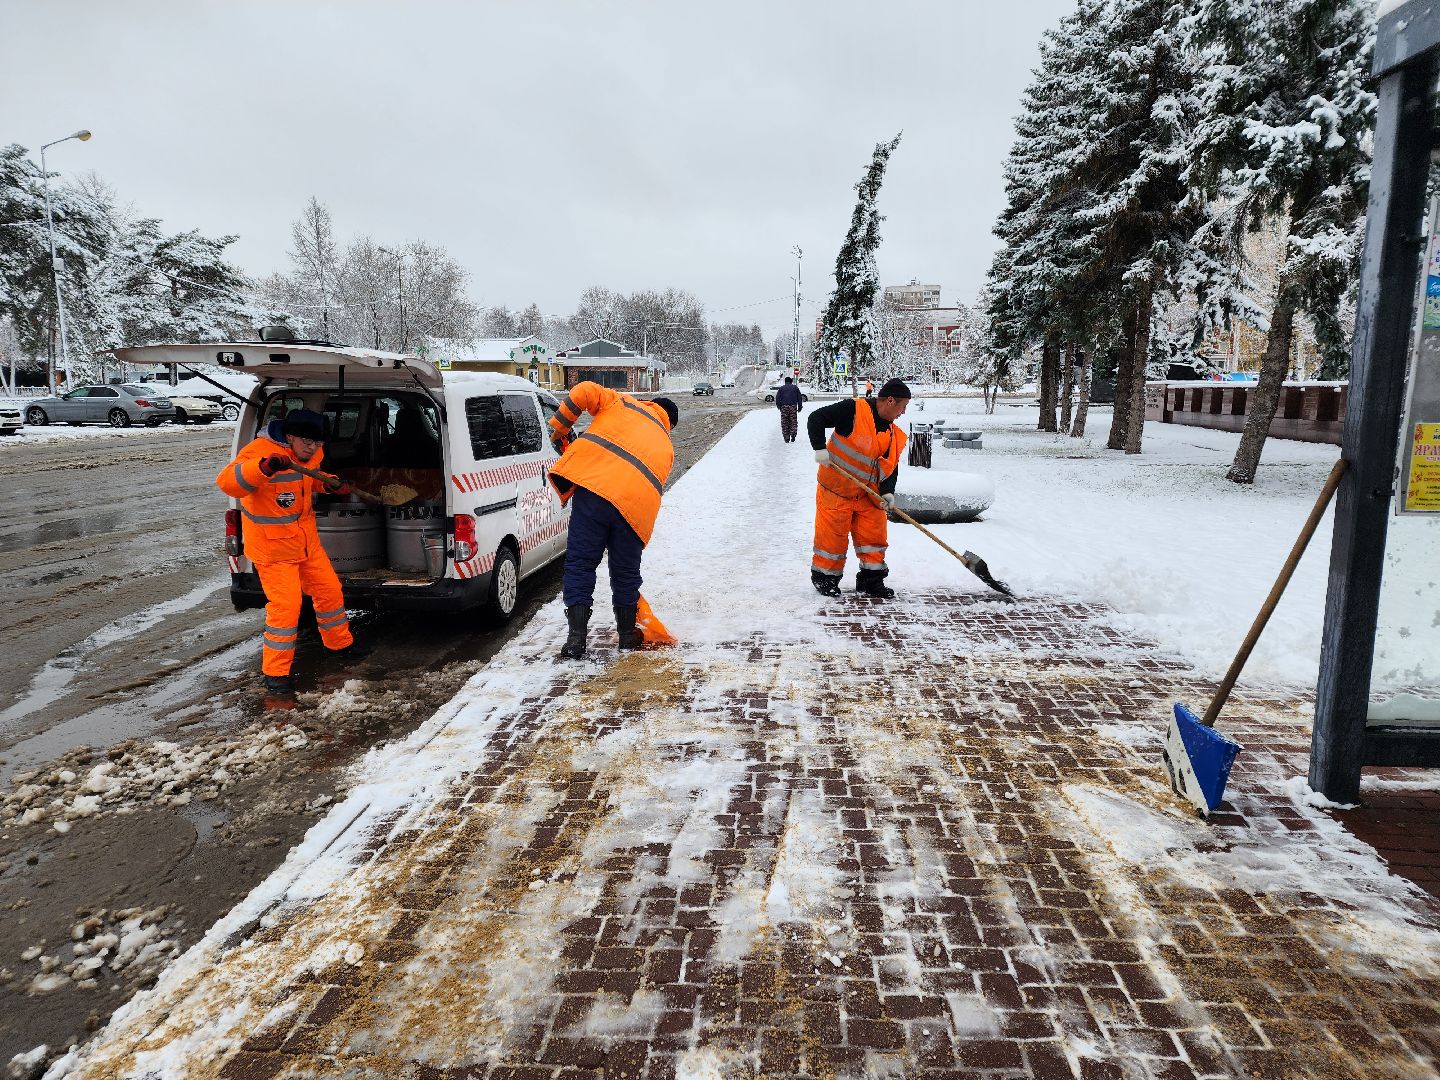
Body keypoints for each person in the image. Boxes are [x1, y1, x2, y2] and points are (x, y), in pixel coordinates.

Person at [216, 408, 368, 695]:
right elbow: (227, 482)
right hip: (273, 550)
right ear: (289, 436)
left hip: (306, 543)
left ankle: (339, 645)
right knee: (286, 609)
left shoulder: (312, 455)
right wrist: (263, 468)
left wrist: (328, 483)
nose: (313, 447)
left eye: (318, 443)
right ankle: (276, 673)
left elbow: (309, 478)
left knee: (330, 592)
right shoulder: (259, 451)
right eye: (307, 441)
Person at [547, 382, 679, 659]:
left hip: (594, 494)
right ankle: (628, 637)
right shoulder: (666, 447)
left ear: (652, 404)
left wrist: (558, 427)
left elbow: (582, 390)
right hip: (634, 511)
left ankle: (576, 640)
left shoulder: (624, 403)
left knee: (581, 564)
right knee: (625, 573)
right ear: (669, 424)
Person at [807, 378, 911, 599]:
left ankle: (871, 582)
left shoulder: (893, 434)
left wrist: (887, 492)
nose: (903, 412)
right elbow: (815, 419)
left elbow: (890, 468)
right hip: (836, 491)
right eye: (902, 406)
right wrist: (819, 448)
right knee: (832, 539)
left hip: (867, 495)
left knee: (873, 540)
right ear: (890, 401)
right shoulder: (853, 410)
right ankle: (825, 579)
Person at [775, 376, 804, 443]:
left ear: (785, 382)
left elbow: (777, 398)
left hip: (784, 407)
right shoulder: (795, 388)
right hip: (793, 407)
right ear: (791, 381)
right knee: (793, 421)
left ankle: (786, 437)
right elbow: (799, 398)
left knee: (785, 422)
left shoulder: (781, 388)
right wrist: (799, 407)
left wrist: (779, 407)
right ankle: (793, 434)